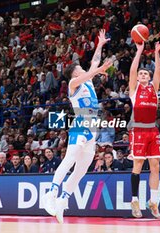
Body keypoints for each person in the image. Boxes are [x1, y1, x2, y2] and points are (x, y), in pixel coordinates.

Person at [41, 29, 112, 223]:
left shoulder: (87, 79)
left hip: (93, 128)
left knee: (82, 169)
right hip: (81, 123)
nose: (84, 69)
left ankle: (63, 200)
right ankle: (51, 193)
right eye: (81, 68)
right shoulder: (74, 82)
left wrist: (99, 45)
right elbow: (94, 69)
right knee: (70, 158)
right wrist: (98, 70)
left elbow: (95, 63)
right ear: (76, 72)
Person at [128, 39, 160, 219]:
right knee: (138, 165)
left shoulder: (154, 88)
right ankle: (135, 200)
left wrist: (157, 52)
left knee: (155, 166)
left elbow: (158, 71)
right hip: (138, 131)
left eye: (145, 73)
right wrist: (139, 50)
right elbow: (132, 70)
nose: (142, 75)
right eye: (140, 73)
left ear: (149, 77)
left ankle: (153, 202)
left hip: (152, 130)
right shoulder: (134, 90)